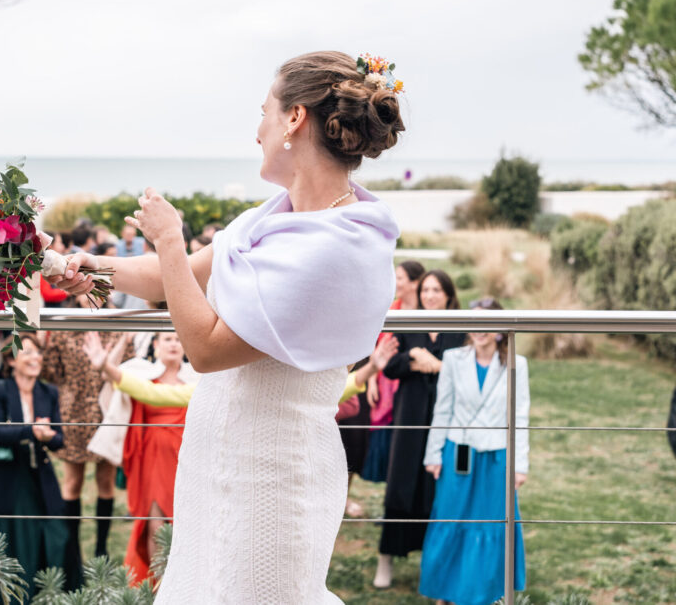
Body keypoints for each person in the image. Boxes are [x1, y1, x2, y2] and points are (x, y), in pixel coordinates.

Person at [50, 50, 404, 602]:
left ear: (294, 119)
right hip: (214, 458)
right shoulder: (269, 217)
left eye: (264, 111)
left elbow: (208, 349)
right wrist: (91, 268)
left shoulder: (337, 245)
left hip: (274, 473)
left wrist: (169, 238)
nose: (256, 129)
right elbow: (178, 281)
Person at [419, 297, 529, 605]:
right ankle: (445, 591)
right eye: (475, 322)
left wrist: (519, 464)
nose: (480, 330)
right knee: (451, 518)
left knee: (490, 521)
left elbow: (520, 414)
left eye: (487, 323)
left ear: (500, 329)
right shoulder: (454, 359)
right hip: (458, 454)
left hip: (496, 457)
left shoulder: (517, 363)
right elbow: (443, 409)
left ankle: (484, 592)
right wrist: (433, 454)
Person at [0, 333, 81, 603]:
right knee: (4, 546)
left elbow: (59, 440)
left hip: (38, 478)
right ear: (10, 358)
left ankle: (43, 595)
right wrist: (32, 431)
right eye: (27, 352)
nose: (35, 358)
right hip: (4, 480)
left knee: (53, 537)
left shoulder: (48, 392)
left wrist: (47, 436)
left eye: (37, 352)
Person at [373, 269, 466, 589]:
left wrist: (438, 366)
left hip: (444, 418)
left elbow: (464, 371)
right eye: (426, 289)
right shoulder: (408, 322)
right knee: (401, 483)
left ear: (448, 295)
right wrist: (414, 358)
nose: (429, 295)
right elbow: (390, 365)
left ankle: (435, 562)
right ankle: (386, 557)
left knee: (435, 486)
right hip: (410, 416)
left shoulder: (460, 328)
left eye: (436, 290)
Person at [83, 331, 190, 585]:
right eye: (167, 339)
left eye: (178, 338)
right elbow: (114, 384)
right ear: (155, 345)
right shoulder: (142, 374)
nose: (174, 343)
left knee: (185, 525)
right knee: (155, 525)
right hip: (152, 458)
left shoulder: (197, 378)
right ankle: (158, 587)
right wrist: (111, 356)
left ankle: (183, 584)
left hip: (186, 459)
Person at [41, 293, 135, 558]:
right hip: (73, 413)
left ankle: (101, 548)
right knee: (72, 482)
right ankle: (72, 551)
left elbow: (129, 370)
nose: (89, 297)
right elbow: (50, 371)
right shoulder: (64, 325)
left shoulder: (118, 325)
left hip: (107, 412)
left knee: (105, 482)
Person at [362, 260, 425, 485]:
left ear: (415, 282)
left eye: (400, 278)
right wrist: (371, 383)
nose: (395, 282)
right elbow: (376, 348)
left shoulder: (425, 311)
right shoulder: (391, 310)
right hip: (384, 383)